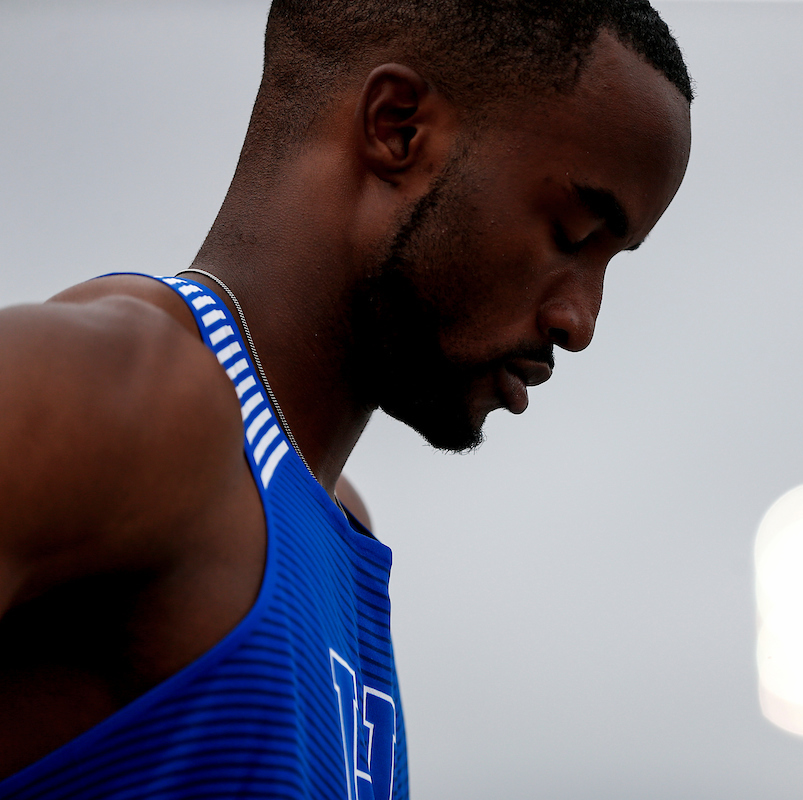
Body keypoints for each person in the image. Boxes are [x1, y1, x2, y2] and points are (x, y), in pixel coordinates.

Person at [0, 1, 692, 797]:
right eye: (572, 234)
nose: (580, 322)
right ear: (398, 129)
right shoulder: (123, 397)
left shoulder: (340, 523)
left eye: (613, 260)